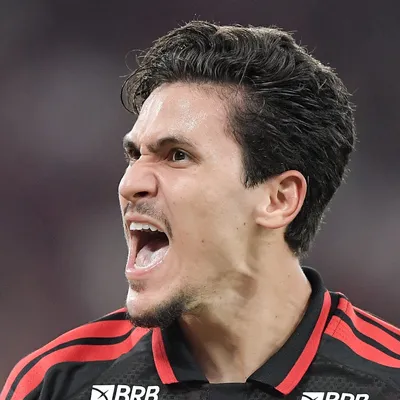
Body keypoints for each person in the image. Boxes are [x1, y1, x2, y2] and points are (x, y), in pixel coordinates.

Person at [1, 20, 399, 400]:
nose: (129, 183)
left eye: (177, 155)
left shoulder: (386, 381)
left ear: (278, 199)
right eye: (135, 155)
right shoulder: (57, 383)